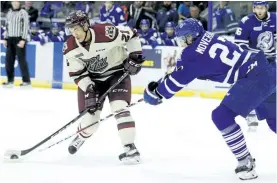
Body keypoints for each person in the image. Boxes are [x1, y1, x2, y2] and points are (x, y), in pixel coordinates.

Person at [143, 18, 276, 180]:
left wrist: (156, 93)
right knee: (274, 121)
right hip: (266, 68)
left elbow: (173, 85)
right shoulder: (208, 36)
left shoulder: (192, 54)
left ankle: (245, 162)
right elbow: (196, 68)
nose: (181, 43)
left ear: (190, 37)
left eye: (182, 39)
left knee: (221, 116)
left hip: (254, 77)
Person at [63, 10, 144, 164]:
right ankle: (81, 135)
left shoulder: (107, 33)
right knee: (91, 122)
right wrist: (89, 89)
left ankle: (130, 147)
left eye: (77, 28)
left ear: (86, 25)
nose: (74, 33)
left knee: (120, 109)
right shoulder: (70, 47)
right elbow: (77, 74)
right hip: (93, 81)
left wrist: (135, 56)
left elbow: (132, 35)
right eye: (71, 29)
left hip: (117, 75)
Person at [234, 1, 276, 131]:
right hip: (254, 61)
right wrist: (257, 55)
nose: (259, 10)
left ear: (266, 8)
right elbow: (239, 44)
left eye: (261, 8)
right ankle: (250, 113)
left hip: (272, 59)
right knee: (251, 87)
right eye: (256, 8)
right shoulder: (246, 21)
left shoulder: (275, 18)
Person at [3, 1, 31, 87]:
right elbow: (6, 26)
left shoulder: (23, 13)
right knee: (8, 61)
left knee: (22, 61)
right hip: (10, 39)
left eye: (17, 2)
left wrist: (23, 39)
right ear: (11, 3)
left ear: (19, 3)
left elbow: (26, 26)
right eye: (13, 2)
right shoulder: (9, 13)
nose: (15, 3)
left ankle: (26, 81)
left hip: (19, 39)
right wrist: (5, 38)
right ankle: (10, 80)